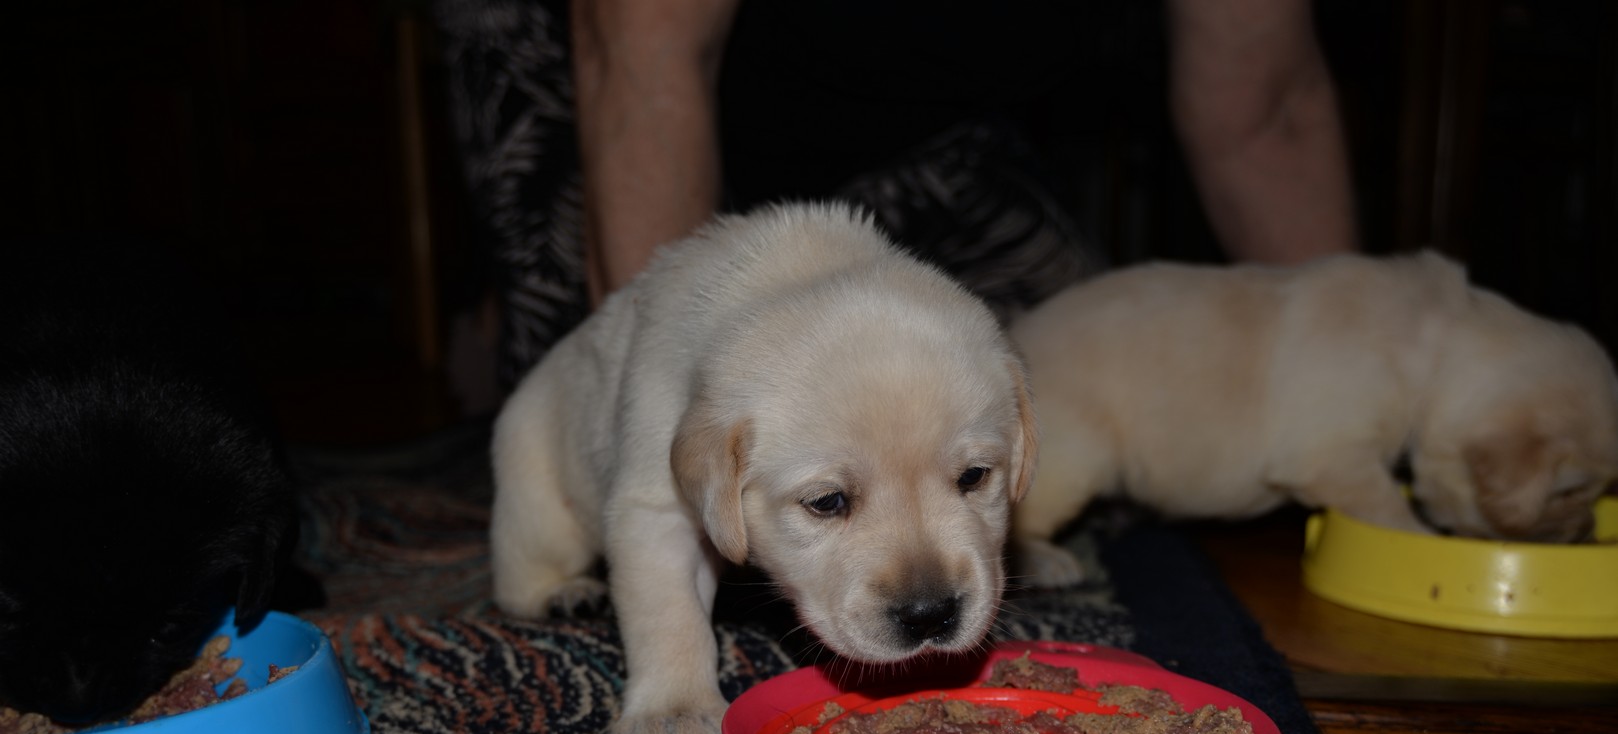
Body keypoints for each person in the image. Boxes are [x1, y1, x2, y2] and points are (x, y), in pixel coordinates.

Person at [435, 0, 1358, 393]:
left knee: (1054, 399)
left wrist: (1354, 383)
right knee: (588, 429)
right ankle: (495, 314)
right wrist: (675, 436)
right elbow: (643, 54)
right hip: (601, 68)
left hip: (910, 134)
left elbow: (1265, 111)